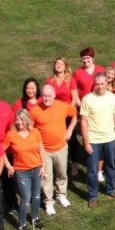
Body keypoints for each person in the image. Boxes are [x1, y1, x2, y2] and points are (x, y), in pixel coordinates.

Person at [29, 85, 75, 214]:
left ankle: (61, 194)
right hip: (44, 151)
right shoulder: (35, 110)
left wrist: (70, 130)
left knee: (62, 173)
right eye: (44, 96)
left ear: (54, 95)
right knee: (46, 177)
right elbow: (30, 128)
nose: (47, 98)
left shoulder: (62, 106)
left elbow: (75, 115)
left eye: (49, 96)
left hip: (61, 147)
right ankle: (48, 201)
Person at [80, 73, 115, 206]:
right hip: (93, 140)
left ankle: (111, 189)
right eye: (97, 84)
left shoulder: (113, 98)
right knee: (93, 170)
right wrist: (86, 142)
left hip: (110, 138)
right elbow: (83, 122)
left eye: (102, 84)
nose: (99, 87)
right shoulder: (87, 99)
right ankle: (92, 196)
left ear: (106, 83)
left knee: (110, 166)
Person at [3, 110, 45, 230]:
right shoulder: (11, 135)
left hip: (36, 169)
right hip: (22, 172)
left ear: (27, 120)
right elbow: (1, 150)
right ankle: (22, 225)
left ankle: (35, 217)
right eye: (17, 119)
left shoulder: (35, 132)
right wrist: (8, 165)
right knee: (26, 199)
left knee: (36, 195)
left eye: (21, 119)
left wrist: (43, 166)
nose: (19, 122)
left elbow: (41, 148)